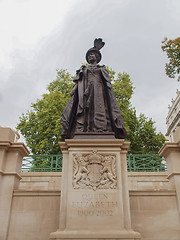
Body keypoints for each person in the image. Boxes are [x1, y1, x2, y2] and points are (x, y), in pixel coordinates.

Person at [60, 38, 127, 140]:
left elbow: (107, 84)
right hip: (86, 92)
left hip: (99, 92)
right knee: (86, 109)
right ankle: (85, 129)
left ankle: (100, 129)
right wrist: (75, 90)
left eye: (92, 55)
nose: (90, 56)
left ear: (97, 57)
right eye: (89, 55)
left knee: (99, 109)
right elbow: (79, 82)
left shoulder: (102, 69)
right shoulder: (84, 69)